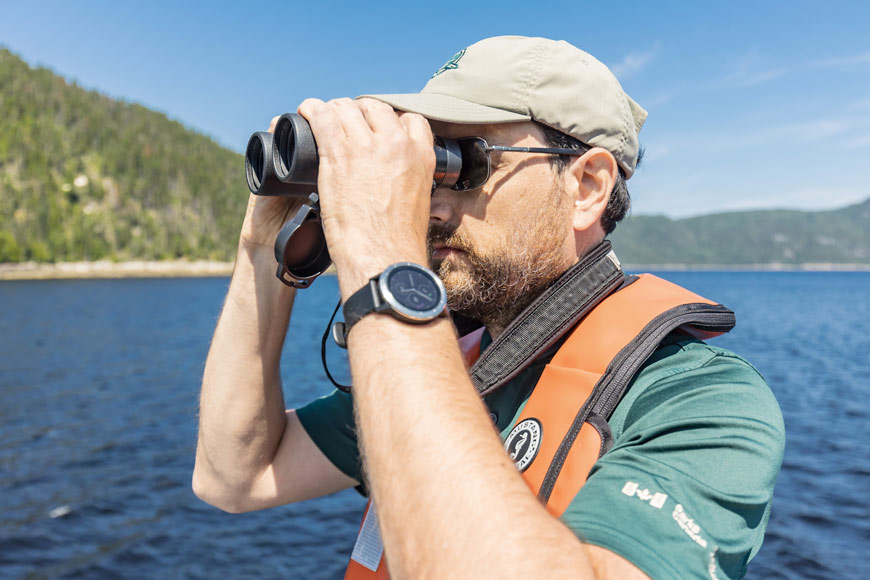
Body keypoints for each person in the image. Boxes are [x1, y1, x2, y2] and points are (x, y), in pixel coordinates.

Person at [193, 36, 785, 579]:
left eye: (463, 163)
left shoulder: (703, 404)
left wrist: (379, 252)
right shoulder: (450, 366)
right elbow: (234, 476)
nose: (431, 205)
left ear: (586, 187)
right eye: (425, 171)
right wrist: (259, 246)